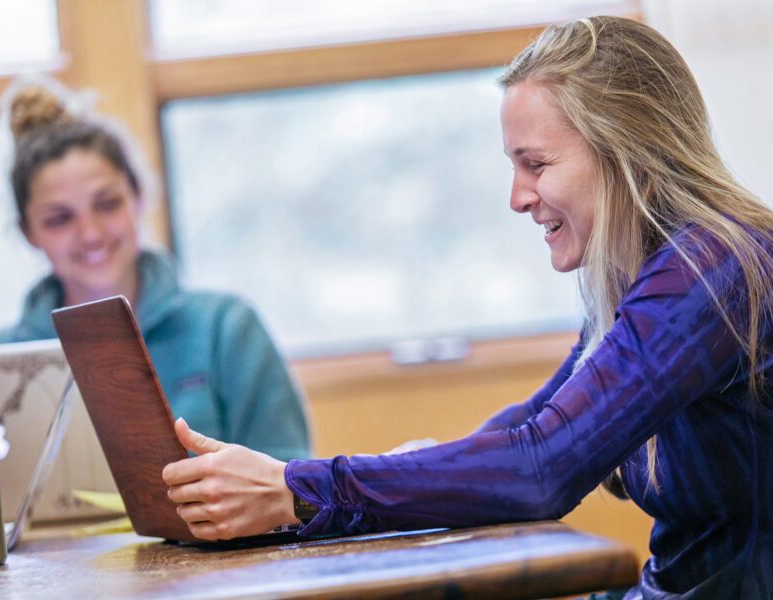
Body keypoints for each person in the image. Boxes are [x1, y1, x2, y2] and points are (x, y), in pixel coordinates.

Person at [161, 16, 773, 599]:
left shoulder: (714, 270)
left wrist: (296, 491)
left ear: (626, 152)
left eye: (535, 164)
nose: (516, 196)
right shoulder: (641, 277)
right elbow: (531, 425)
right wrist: (393, 476)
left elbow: (543, 466)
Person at [0, 80, 312, 462]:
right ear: (28, 233)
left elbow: (292, 485)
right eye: (60, 219)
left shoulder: (226, 329)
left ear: (138, 199)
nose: (90, 234)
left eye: (107, 204)